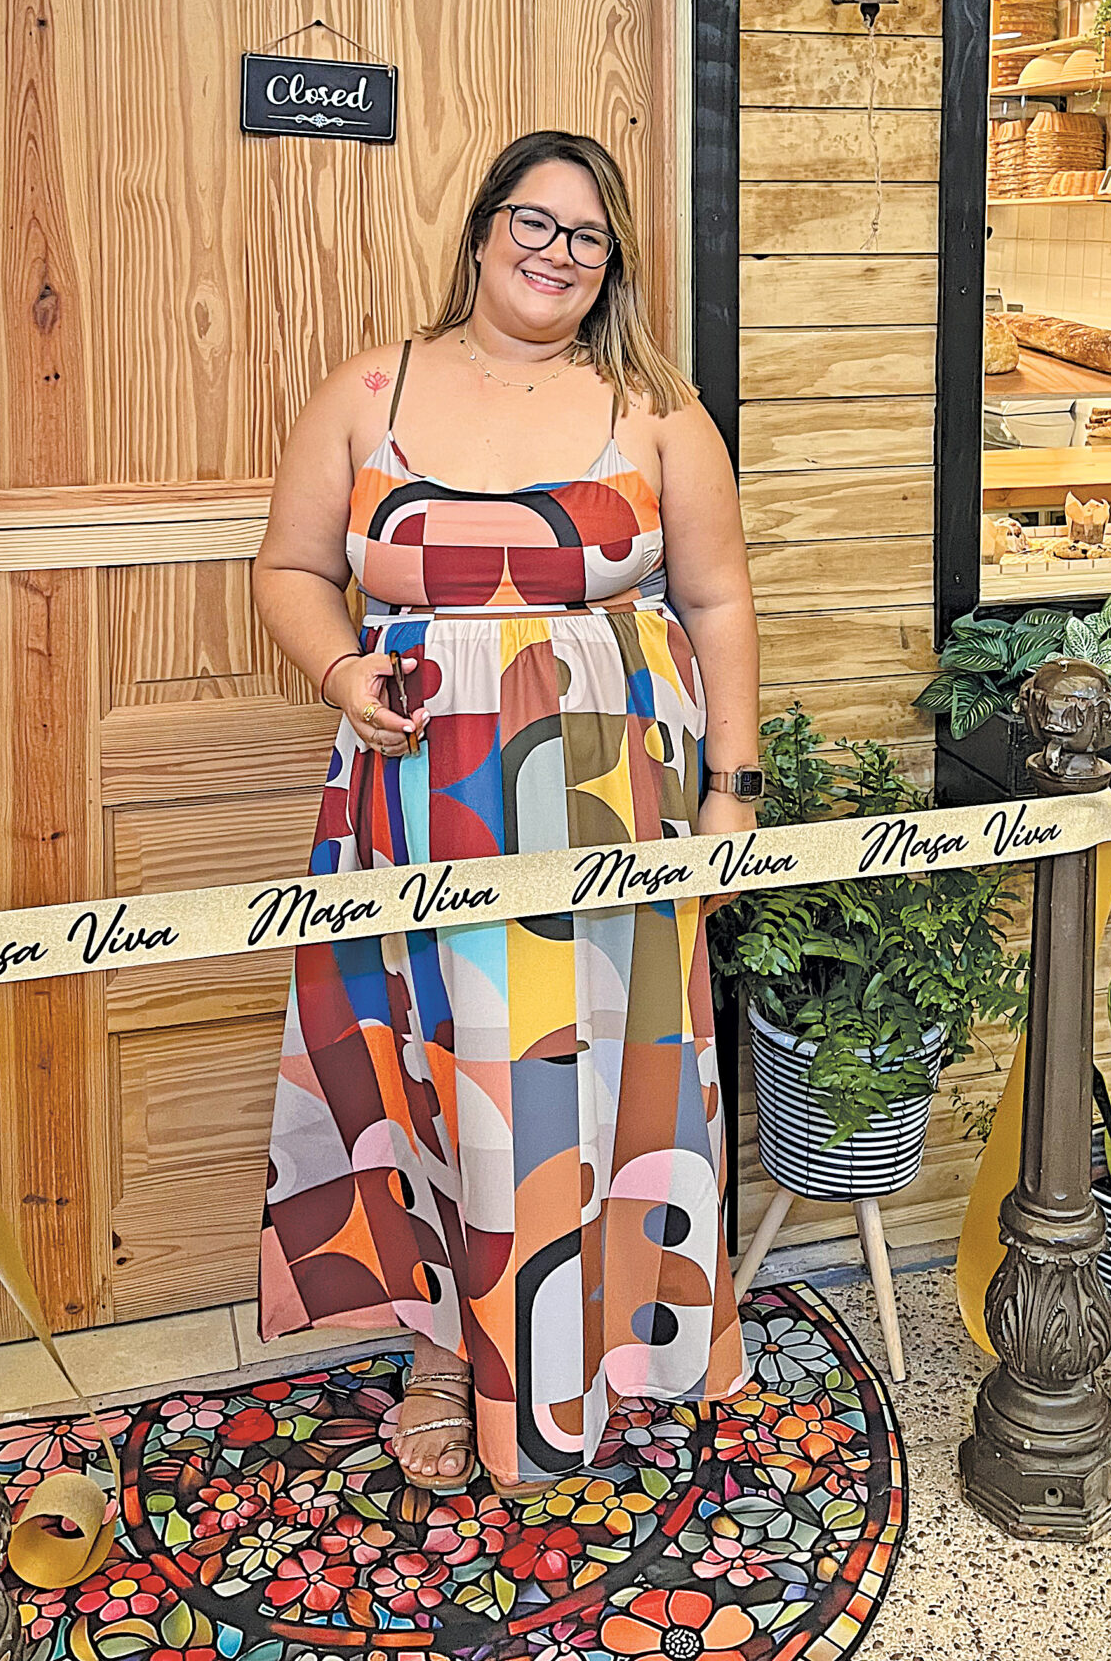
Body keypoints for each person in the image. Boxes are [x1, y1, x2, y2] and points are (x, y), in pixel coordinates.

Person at [251, 130, 759, 1498]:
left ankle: (605, 1344)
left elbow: (717, 598)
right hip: (416, 803)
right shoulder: (368, 390)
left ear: (613, 264)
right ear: (481, 230)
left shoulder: (654, 406)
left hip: (612, 808)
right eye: (533, 222)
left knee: (594, 1077)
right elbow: (291, 567)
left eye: (587, 235)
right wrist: (343, 670)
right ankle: (443, 1351)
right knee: (433, 1071)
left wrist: (732, 790)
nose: (556, 252)